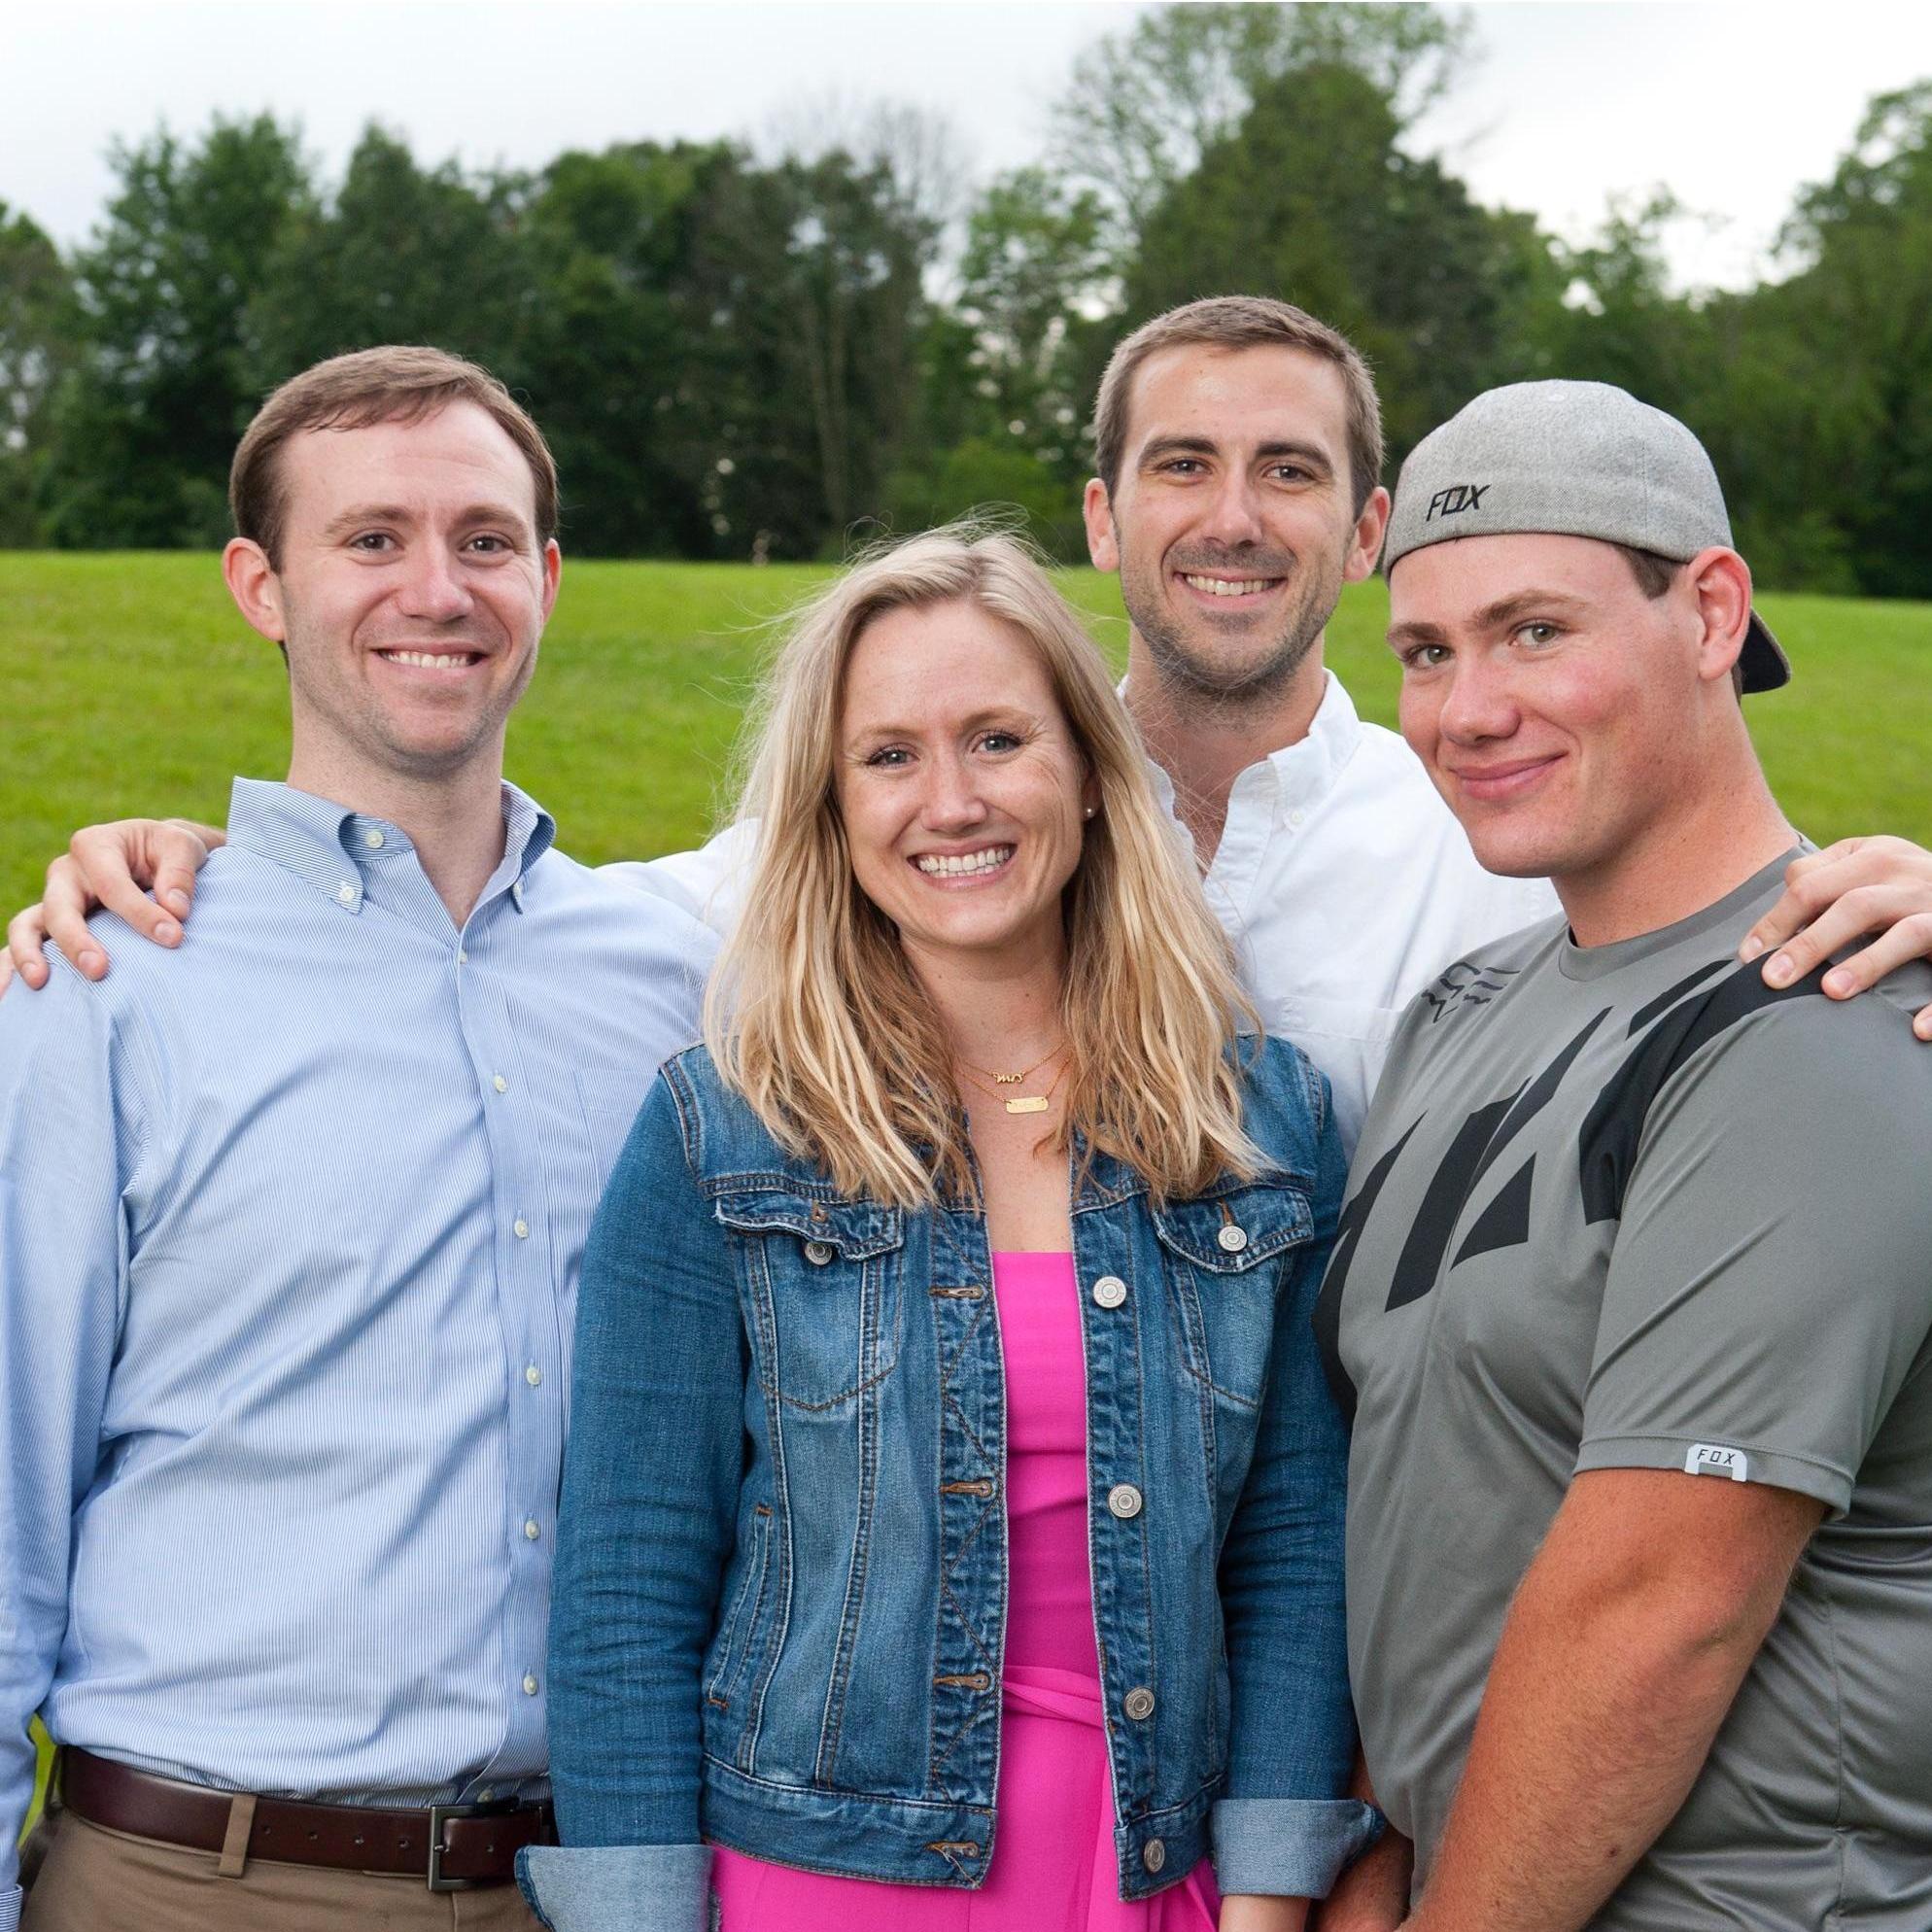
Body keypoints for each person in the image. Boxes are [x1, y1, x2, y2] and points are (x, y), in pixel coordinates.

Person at [19, 299, 1932, 1150]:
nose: (1231, 516)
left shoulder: (1483, 831)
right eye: (1179, 463)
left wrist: (1886, 890)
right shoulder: (942, 819)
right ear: (1103, 518)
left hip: (1357, 1636)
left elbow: (1701, 935)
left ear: (1364, 530)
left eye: (1287, 471)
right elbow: (552, 925)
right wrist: (202, 859)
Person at [514, 527, 1373, 1932]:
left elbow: (1294, 1541)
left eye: (997, 739)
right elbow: (628, 1578)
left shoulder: (1258, 1125)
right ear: (832, 809)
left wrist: (1271, 1896)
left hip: (1158, 1880)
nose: (952, 801)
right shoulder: (725, 1135)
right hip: (813, 1885)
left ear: (1092, 779)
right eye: (890, 756)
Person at [0, 347, 716, 1931]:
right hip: (194, 1878)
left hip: (585, 1882)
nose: (437, 589)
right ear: (262, 585)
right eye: (372, 540)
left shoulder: (677, 979)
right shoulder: (105, 985)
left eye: (482, 539)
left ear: (547, 575)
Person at [1318, 380, 1932, 1930]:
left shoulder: (1827, 1011)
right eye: (1425, 652)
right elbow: (1438, 1497)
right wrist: (1388, 1850)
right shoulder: (1457, 1019)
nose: (1466, 710)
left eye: (1536, 632)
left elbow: (1663, 1605)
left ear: (1712, 613)